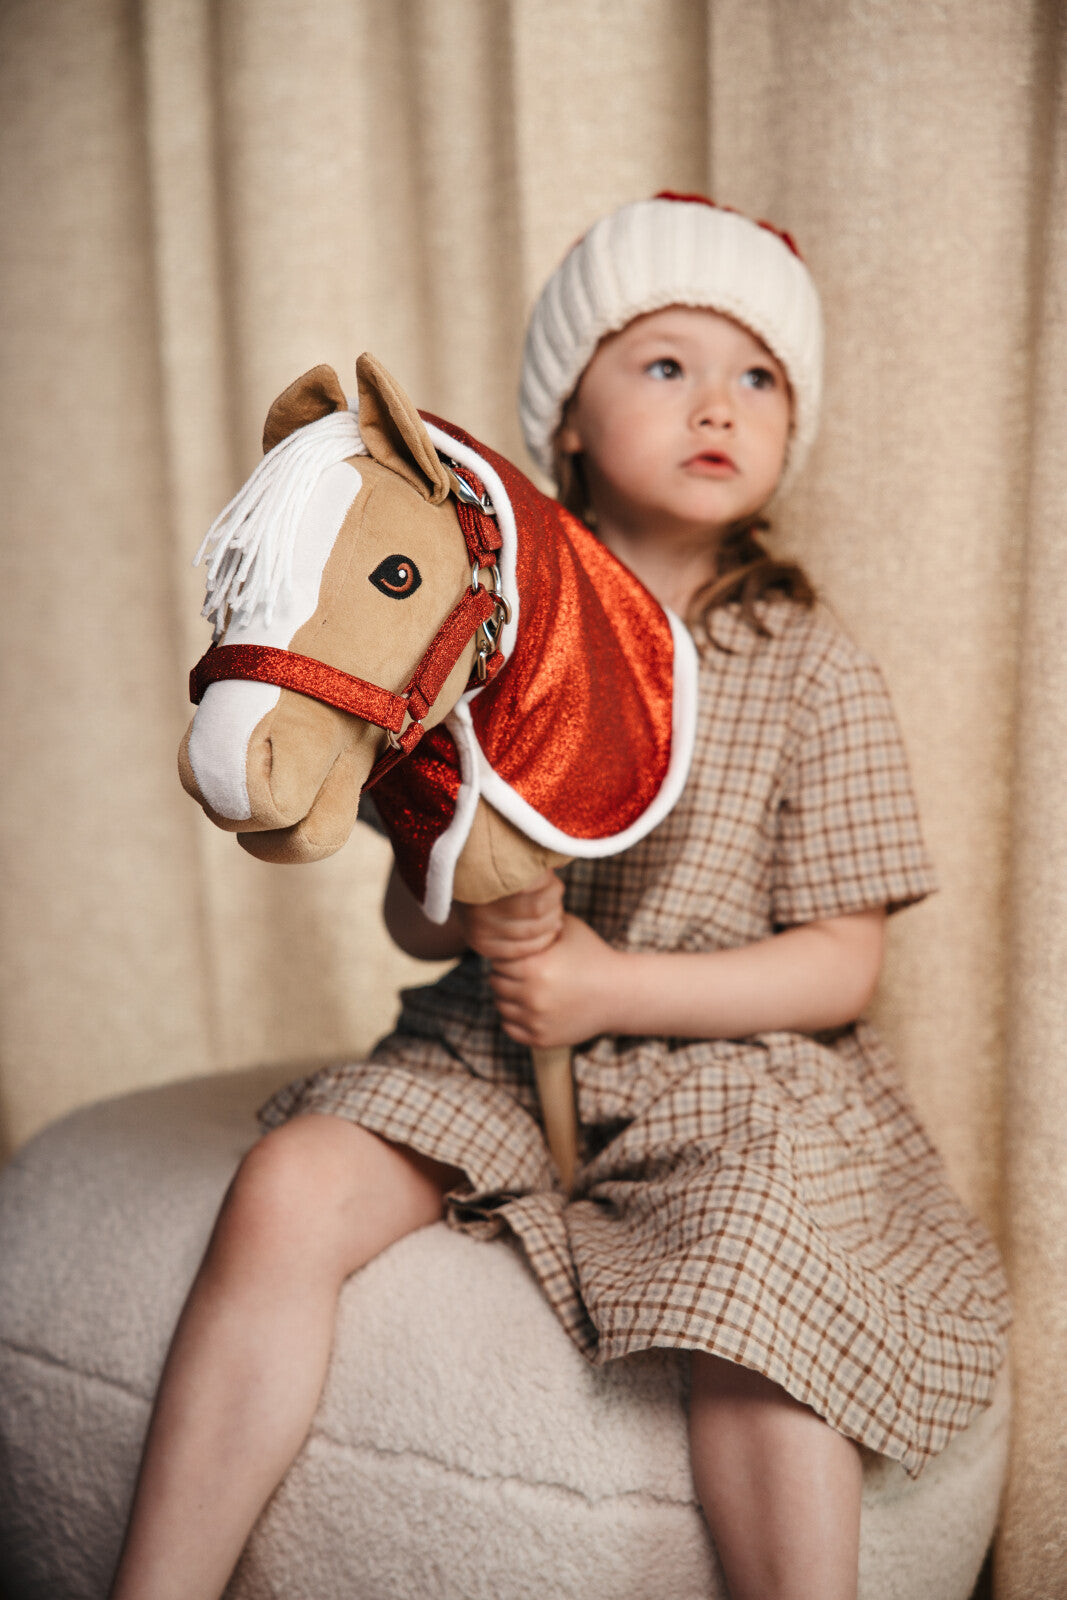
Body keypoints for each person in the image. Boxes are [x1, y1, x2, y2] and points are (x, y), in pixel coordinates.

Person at [110, 194, 1009, 1600]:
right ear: (569, 419)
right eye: (665, 365)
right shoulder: (465, 633)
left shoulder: (805, 658)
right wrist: (467, 903)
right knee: (287, 1185)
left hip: (730, 1069)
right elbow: (417, 917)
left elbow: (841, 966)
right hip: (494, 1039)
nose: (719, 401)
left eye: (757, 376)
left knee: (764, 1264)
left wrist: (613, 986)